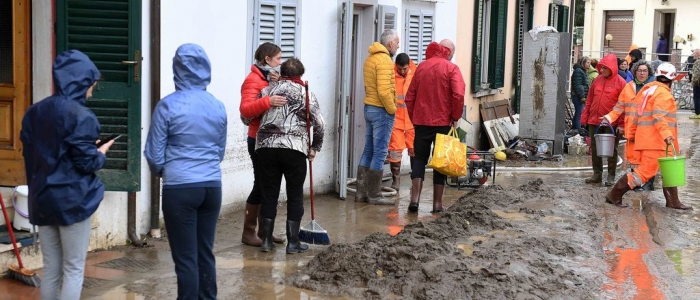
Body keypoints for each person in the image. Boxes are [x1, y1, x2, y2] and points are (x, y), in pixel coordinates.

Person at [20, 50, 112, 300]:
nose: (93, 89)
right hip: (73, 201)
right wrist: (101, 152)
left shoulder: (34, 112)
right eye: (92, 84)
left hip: (42, 198)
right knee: (73, 269)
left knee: (51, 269)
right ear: (83, 82)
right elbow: (88, 163)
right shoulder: (83, 116)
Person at [144, 44, 228, 299]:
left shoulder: (167, 106)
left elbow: (154, 154)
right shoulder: (217, 105)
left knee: (185, 259)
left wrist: (163, 172)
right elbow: (220, 151)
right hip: (212, 186)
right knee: (205, 253)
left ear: (176, 70)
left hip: (180, 187)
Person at [256, 58, 325, 253]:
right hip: (293, 149)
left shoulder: (266, 91)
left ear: (282, 72)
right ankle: (292, 243)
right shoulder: (306, 94)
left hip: (266, 147)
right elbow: (320, 124)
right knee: (294, 194)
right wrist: (315, 148)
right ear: (300, 75)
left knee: (268, 193)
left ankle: (266, 241)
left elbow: (247, 117)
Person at [604, 63, 692, 210]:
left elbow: (636, 116)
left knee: (669, 170)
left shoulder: (647, 91)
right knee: (644, 173)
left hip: (650, 140)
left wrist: (632, 135)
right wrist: (667, 135)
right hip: (657, 142)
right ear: (672, 79)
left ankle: (673, 201)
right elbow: (658, 116)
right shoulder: (663, 93)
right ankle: (614, 194)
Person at [405, 40, 466, 213]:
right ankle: (437, 204)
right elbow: (458, 94)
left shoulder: (421, 67)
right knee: (441, 161)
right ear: (449, 53)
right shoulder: (452, 69)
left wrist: (414, 118)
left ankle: (414, 200)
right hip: (443, 122)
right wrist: (455, 116)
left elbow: (409, 97)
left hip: (421, 121)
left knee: (418, 159)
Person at [239, 42, 286, 246]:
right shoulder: (252, 80)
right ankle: (249, 233)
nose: (280, 62)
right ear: (267, 59)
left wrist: (278, 82)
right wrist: (269, 101)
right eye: (278, 59)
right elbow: (245, 110)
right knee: (261, 185)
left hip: (269, 139)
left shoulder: (268, 77)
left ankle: (265, 230)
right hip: (257, 139)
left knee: (269, 184)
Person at [355, 29, 400, 205]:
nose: (398, 45)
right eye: (397, 42)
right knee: (380, 152)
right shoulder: (385, 61)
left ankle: (361, 193)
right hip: (381, 110)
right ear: (390, 44)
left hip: (370, 107)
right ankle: (374, 195)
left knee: (369, 150)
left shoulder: (370, 58)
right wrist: (392, 109)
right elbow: (383, 90)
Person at [602, 60, 656, 191]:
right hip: (632, 129)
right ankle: (637, 182)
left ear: (649, 73)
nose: (642, 73)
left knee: (648, 157)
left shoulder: (654, 88)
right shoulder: (628, 87)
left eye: (645, 71)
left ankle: (648, 183)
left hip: (648, 130)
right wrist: (609, 117)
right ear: (635, 72)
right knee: (634, 157)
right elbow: (619, 107)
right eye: (639, 70)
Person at [581, 54, 626, 186]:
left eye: (605, 68)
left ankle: (611, 176)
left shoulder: (621, 83)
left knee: (611, 150)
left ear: (611, 68)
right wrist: (585, 116)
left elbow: (624, 106)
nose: (601, 70)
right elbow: (589, 99)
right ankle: (597, 174)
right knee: (595, 148)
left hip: (611, 123)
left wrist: (621, 124)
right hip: (594, 121)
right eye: (601, 68)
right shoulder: (597, 80)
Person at [387, 53, 417, 191]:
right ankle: (396, 180)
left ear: (408, 65)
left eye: (405, 69)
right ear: (396, 66)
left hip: (412, 120)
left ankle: (415, 179)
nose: (403, 71)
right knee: (394, 151)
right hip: (396, 120)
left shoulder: (416, 72)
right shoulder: (390, 75)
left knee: (414, 150)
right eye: (400, 69)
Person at [570, 56, 590, 130]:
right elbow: (578, 85)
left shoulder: (583, 71)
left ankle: (574, 129)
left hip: (579, 95)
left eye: (590, 63)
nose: (589, 64)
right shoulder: (579, 71)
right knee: (579, 114)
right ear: (583, 62)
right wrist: (582, 96)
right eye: (588, 62)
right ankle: (578, 131)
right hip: (578, 96)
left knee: (578, 113)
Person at [693, 50, 700, 119]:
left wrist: (694, 81)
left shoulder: (698, 62)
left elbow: (697, 73)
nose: (693, 55)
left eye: (694, 53)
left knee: (697, 97)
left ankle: (698, 113)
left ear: (697, 54)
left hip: (698, 82)